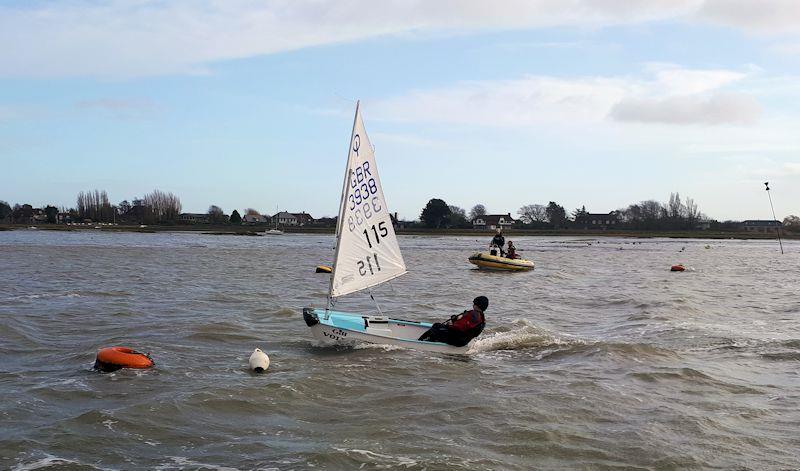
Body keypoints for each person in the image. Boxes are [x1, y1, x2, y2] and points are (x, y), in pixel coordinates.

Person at [418, 296, 487, 347]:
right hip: (464, 341)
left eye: (474, 302)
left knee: (436, 326)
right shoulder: (482, 318)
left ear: (477, 304)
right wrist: (454, 320)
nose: (473, 304)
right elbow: (466, 327)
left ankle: (420, 342)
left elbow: (459, 327)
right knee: (441, 327)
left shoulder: (473, 315)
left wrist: (449, 325)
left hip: (457, 340)